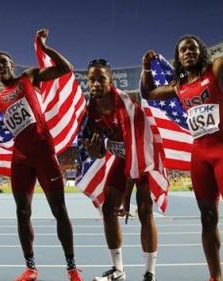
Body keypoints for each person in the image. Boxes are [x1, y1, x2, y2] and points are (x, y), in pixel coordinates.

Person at [140, 7, 223, 281]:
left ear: (201, 51)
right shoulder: (179, 87)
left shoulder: (219, 67)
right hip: (199, 157)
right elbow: (150, 93)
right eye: (182, 50)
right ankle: (215, 277)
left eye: (192, 48)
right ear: (178, 58)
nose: (188, 52)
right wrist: (145, 68)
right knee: (207, 220)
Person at [0, 29, 83, 281]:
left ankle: (71, 267)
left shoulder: (29, 77)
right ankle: (31, 267)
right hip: (21, 157)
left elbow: (65, 68)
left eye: (3, 61)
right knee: (22, 212)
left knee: (59, 210)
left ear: (12, 65)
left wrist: (44, 47)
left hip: (45, 153)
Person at [83, 59, 161, 281]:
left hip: (143, 154)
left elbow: (135, 156)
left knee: (145, 209)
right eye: (92, 79)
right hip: (123, 154)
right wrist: (94, 151)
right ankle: (118, 270)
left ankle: (149, 273)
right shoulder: (92, 107)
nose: (96, 83)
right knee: (108, 208)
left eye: (101, 79)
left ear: (111, 81)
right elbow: (99, 150)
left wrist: (127, 198)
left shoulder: (124, 104)